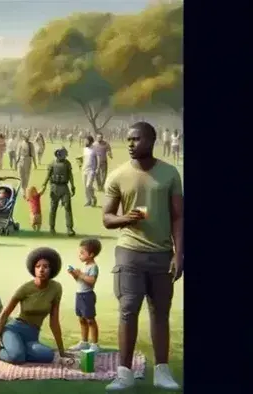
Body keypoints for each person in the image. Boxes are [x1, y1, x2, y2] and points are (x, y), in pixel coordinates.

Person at [102, 121, 183, 391]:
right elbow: (107, 218)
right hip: (129, 253)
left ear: (151, 140)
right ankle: (123, 373)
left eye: (136, 139)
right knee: (128, 311)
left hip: (161, 254)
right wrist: (125, 219)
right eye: (128, 139)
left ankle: (162, 371)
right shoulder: (117, 175)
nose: (130, 143)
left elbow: (178, 217)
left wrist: (179, 254)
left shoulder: (170, 174)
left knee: (160, 313)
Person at [0, 247, 68, 365]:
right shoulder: (25, 289)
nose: (41, 270)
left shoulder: (56, 288)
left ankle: (17, 349)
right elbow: (4, 314)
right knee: (17, 358)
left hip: (32, 336)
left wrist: (61, 351)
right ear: (33, 269)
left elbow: (54, 321)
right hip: (14, 330)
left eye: (45, 266)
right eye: (38, 266)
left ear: (51, 269)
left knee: (48, 355)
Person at [67, 238, 102, 352]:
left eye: (82, 253)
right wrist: (74, 274)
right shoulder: (85, 266)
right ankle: (84, 342)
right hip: (79, 295)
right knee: (81, 319)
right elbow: (80, 281)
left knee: (90, 320)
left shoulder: (93, 267)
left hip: (87, 296)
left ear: (91, 254)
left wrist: (80, 274)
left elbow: (91, 281)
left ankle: (95, 344)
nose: (80, 255)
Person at [40, 147, 76, 236]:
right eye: (63, 154)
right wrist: (43, 184)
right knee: (53, 208)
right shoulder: (52, 163)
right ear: (58, 154)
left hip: (64, 187)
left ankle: (69, 228)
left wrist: (72, 186)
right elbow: (48, 175)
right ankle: (52, 227)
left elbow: (70, 175)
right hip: (54, 187)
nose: (64, 156)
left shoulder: (67, 163)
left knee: (68, 208)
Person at [80, 135, 98, 207]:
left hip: (91, 170)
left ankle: (93, 197)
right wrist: (80, 163)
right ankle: (89, 201)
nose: (85, 142)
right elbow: (84, 159)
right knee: (85, 187)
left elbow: (97, 160)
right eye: (85, 141)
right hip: (84, 170)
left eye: (86, 141)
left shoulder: (94, 149)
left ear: (90, 142)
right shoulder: (85, 149)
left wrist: (96, 169)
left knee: (88, 185)